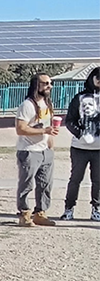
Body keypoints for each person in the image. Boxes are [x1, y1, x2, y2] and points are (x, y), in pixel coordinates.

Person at [14, 73, 60, 227]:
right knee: (26, 183)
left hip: (45, 151)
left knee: (46, 184)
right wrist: (43, 131)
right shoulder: (27, 105)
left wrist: (50, 144)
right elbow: (20, 129)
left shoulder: (47, 104)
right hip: (29, 150)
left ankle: (40, 212)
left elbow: (49, 126)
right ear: (36, 85)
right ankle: (24, 213)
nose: (49, 86)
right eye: (46, 83)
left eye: (50, 83)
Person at [61, 66, 100, 221]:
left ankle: (96, 209)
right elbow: (69, 120)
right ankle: (69, 208)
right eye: (98, 77)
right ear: (92, 78)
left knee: (98, 181)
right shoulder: (79, 98)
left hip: (99, 149)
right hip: (80, 148)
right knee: (75, 179)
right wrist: (80, 133)